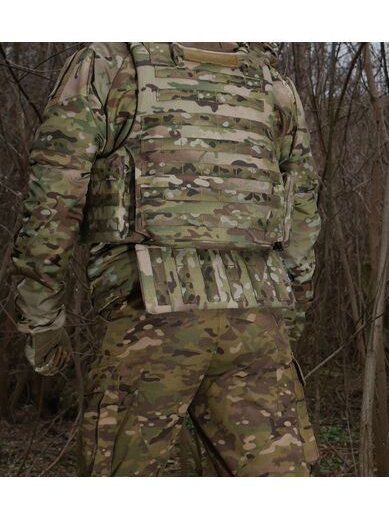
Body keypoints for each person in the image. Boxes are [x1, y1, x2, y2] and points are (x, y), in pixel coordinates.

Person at [12, 42, 321, 476]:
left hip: (149, 314)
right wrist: (292, 313)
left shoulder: (108, 63)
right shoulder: (271, 82)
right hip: (257, 315)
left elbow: (54, 195)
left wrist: (40, 314)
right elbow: (301, 209)